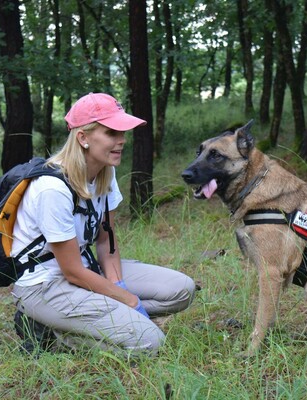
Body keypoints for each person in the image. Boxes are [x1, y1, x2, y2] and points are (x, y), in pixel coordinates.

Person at [11, 92, 196, 356]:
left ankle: (99, 319)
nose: (121, 141)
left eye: (123, 132)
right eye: (111, 132)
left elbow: (105, 239)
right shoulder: (51, 189)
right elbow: (72, 271)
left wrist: (117, 286)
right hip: (46, 285)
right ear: (83, 138)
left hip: (89, 270)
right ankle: (52, 334)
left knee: (182, 290)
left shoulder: (104, 172)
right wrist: (129, 301)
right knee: (149, 343)